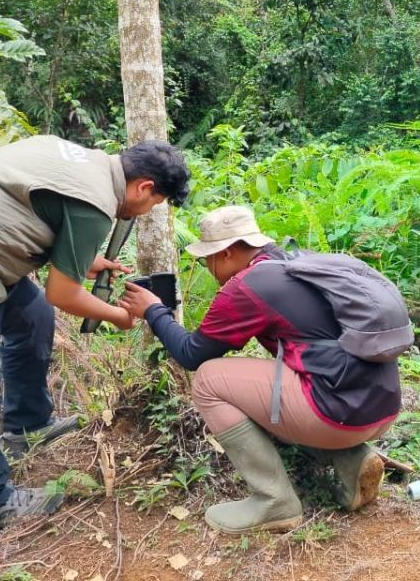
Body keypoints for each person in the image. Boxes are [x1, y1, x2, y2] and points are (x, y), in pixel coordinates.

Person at [0, 136, 190, 530]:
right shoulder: (95, 203)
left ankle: (27, 425)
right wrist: (117, 316)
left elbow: (30, 209)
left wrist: (79, 255)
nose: (146, 211)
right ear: (144, 186)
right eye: (153, 204)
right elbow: (63, 293)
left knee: (34, 318)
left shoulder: (83, 160)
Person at [119, 205, 400, 534]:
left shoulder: (248, 286)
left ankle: (274, 501)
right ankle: (352, 460)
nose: (208, 267)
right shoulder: (295, 263)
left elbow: (192, 354)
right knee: (287, 377)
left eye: (208, 258)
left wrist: (153, 310)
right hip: (383, 408)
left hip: (338, 415)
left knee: (210, 380)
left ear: (226, 253)